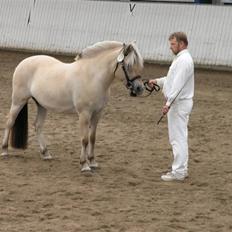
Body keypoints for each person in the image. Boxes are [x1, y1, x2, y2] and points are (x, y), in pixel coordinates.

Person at [149, 32, 194, 181]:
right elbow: (172, 79)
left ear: (182, 44)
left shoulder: (183, 61)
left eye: (173, 44)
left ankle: (179, 171)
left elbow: (178, 85)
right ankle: (181, 169)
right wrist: (158, 81)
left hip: (179, 104)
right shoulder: (181, 59)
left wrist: (168, 104)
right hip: (180, 103)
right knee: (180, 137)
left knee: (177, 138)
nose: (170, 47)